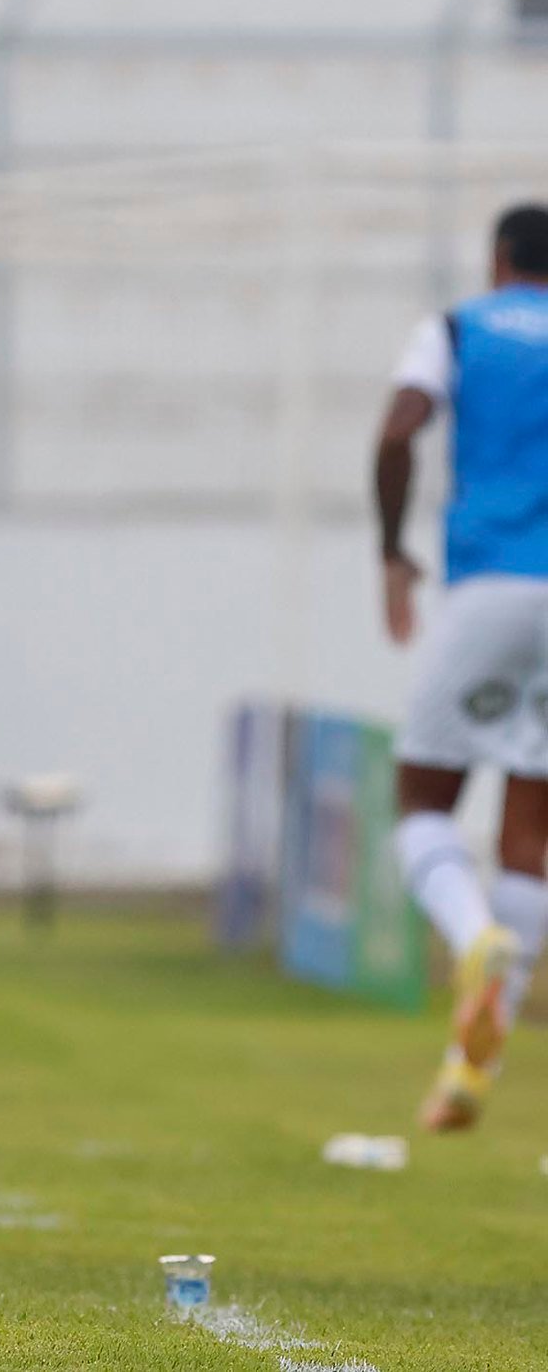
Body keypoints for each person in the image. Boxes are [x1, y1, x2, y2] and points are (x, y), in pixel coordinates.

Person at [377, 202, 548, 1131]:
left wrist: (392, 551)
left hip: (490, 584)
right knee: (531, 834)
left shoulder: (457, 327)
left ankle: (472, 936)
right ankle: (468, 1074)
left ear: (498, 259)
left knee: (421, 803)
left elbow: (398, 430)